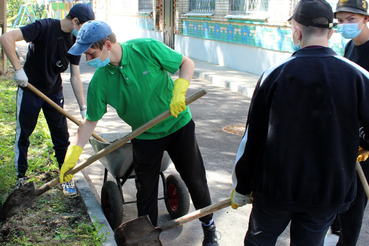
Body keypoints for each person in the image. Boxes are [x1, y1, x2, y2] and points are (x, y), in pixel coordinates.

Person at [59, 20, 219, 245]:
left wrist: (180, 90)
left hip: (178, 125)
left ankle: (209, 228)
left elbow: (186, 63)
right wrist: (72, 156)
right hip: (145, 136)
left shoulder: (145, 48)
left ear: (107, 44)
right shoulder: (100, 82)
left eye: (90, 53)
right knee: (146, 194)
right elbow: (89, 122)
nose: (87, 59)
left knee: (195, 180)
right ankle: (148, 240)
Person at [229, 0, 369, 245]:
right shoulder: (358, 75)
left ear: (297, 30)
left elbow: (253, 138)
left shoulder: (274, 74)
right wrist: (360, 143)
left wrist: (242, 186)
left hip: (276, 190)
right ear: (332, 32)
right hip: (326, 193)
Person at [0, 4, 95, 196]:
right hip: (30, 88)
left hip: (53, 91)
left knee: (61, 135)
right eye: (83, 25)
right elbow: (6, 38)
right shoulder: (43, 27)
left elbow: (75, 76)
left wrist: (83, 107)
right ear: (75, 21)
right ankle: (21, 178)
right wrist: (18, 70)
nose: (84, 31)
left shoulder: (76, 41)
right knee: (24, 134)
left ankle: (65, 175)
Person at [324, 0, 369, 245]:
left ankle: (347, 242)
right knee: (341, 186)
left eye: (351, 19)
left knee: (356, 198)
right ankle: (336, 232)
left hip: (366, 138)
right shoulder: (350, 46)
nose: (345, 25)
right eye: (340, 20)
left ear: (366, 19)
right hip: (350, 133)